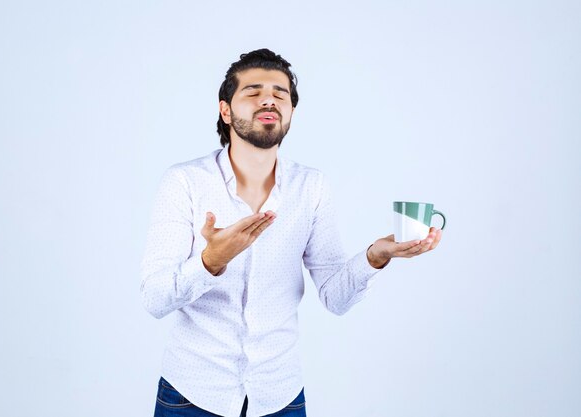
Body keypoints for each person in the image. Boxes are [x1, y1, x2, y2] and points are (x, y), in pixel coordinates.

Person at [140, 48, 443, 417]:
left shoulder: (311, 187)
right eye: (252, 91)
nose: (268, 98)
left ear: (291, 113)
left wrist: (374, 257)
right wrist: (210, 262)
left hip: (279, 396)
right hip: (191, 395)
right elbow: (155, 299)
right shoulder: (184, 182)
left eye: (280, 93)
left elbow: (335, 297)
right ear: (225, 110)